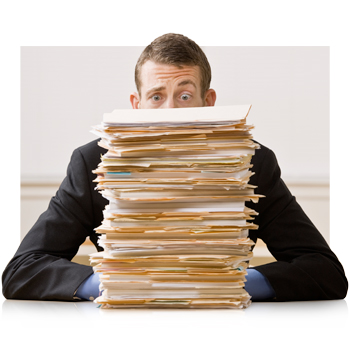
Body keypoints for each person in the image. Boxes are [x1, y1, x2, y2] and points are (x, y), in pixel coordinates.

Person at [2, 33, 348, 302]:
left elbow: (324, 272)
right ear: (136, 106)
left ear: (208, 102)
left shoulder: (252, 162)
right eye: (156, 97)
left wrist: (230, 284)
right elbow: (22, 270)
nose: (170, 111)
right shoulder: (94, 163)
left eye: (184, 96)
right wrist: (109, 284)